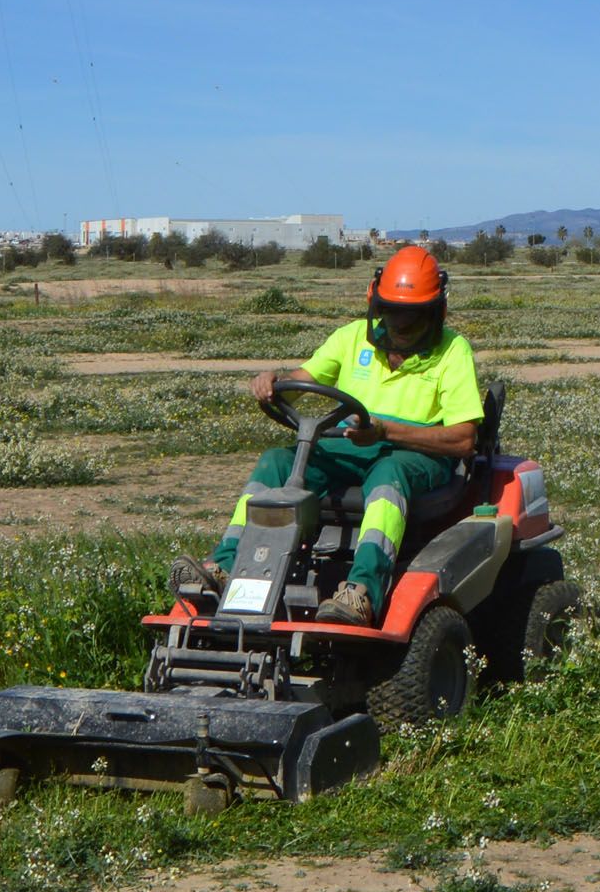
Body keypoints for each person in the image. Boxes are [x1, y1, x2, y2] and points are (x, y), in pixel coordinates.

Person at [171, 245, 483, 626]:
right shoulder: (352, 339)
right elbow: (304, 380)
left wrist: (386, 432)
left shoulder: (453, 351)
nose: (400, 326)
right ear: (375, 304)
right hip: (348, 448)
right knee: (277, 461)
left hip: (413, 456)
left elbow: (464, 439)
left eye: (412, 317)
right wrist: (275, 383)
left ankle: (362, 591)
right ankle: (223, 568)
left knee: (388, 476)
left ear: (435, 312)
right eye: (391, 312)